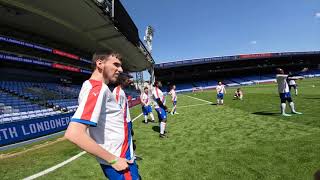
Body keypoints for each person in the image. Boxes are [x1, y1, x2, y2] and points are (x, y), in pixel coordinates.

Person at [64, 50, 140, 180]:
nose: (120, 69)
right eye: (116, 64)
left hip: (121, 158)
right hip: (120, 161)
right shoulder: (97, 88)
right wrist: (113, 160)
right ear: (100, 63)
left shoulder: (94, 87)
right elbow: (74, 133)